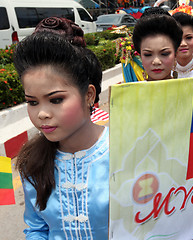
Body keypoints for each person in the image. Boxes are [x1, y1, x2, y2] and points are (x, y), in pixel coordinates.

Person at [14, 32, 109, 239]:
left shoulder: (124, 151)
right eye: (32, 102)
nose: (42, 113)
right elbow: (36, 228)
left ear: (89, 95)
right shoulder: (32, 163)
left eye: (56, 100)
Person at [132, 14, 183, 81]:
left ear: (175, 54)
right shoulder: (128, 91)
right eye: (148, 55)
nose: (156, 61)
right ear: (140, 56)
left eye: (164, 54)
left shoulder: (192, 89)